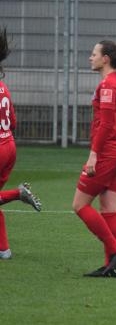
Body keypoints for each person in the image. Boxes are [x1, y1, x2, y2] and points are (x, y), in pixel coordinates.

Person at [74, 40, 116, 277]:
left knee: (79, 205)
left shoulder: (108, 85)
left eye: (94, 53)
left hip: (107, 152)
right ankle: (111, 266)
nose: (90, 57)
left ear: (105, 59)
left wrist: (93, 155)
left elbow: (106, 124)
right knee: (108, 207)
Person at [0, 27, 42, 260]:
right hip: (9, 146)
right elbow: (13, 121)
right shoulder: (3, 87)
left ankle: (17, 194)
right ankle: (4, 249)